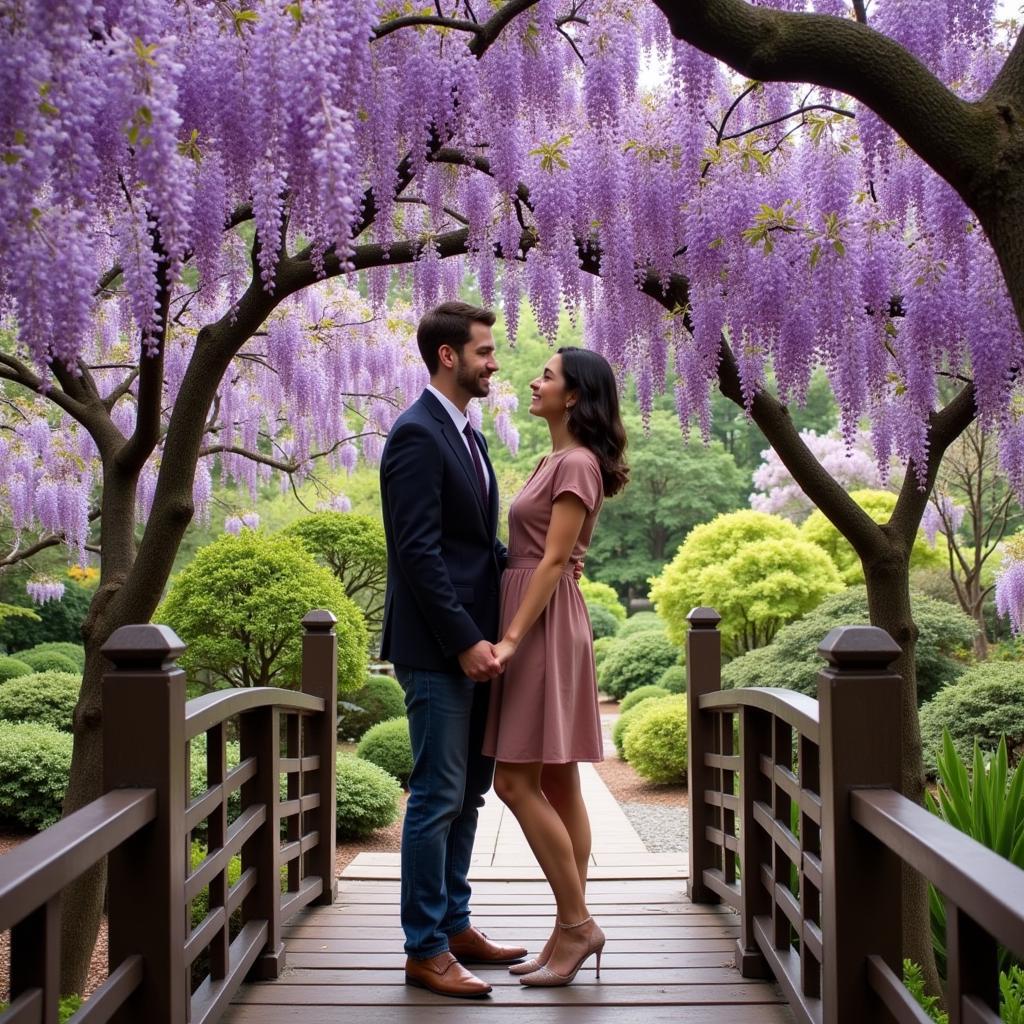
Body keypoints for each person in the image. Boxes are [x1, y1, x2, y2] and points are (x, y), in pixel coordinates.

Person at [378, 301, 528, 1000]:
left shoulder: (468, 434)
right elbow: (417, 554)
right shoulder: (416, 435)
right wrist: (465, 640)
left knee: (468, 793)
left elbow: (474, 547)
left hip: (477, 645)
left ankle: (456, 923)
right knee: (437, 795)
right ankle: (424, 946)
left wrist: (535, 565)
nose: (494, 362)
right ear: (448, 356)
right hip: (441, 649)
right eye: (485, 351)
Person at [482, 346, 628, 988]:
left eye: (547, 375)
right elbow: (551, 555)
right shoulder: (556, 459)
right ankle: (568, 924)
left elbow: (551, 559)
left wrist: (511, 638)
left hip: (539, 624)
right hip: (542, 613)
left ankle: (576, 925)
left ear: (574, 396)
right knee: (561, 782)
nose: (533, 382)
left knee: (514, 782)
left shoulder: (576, 464)